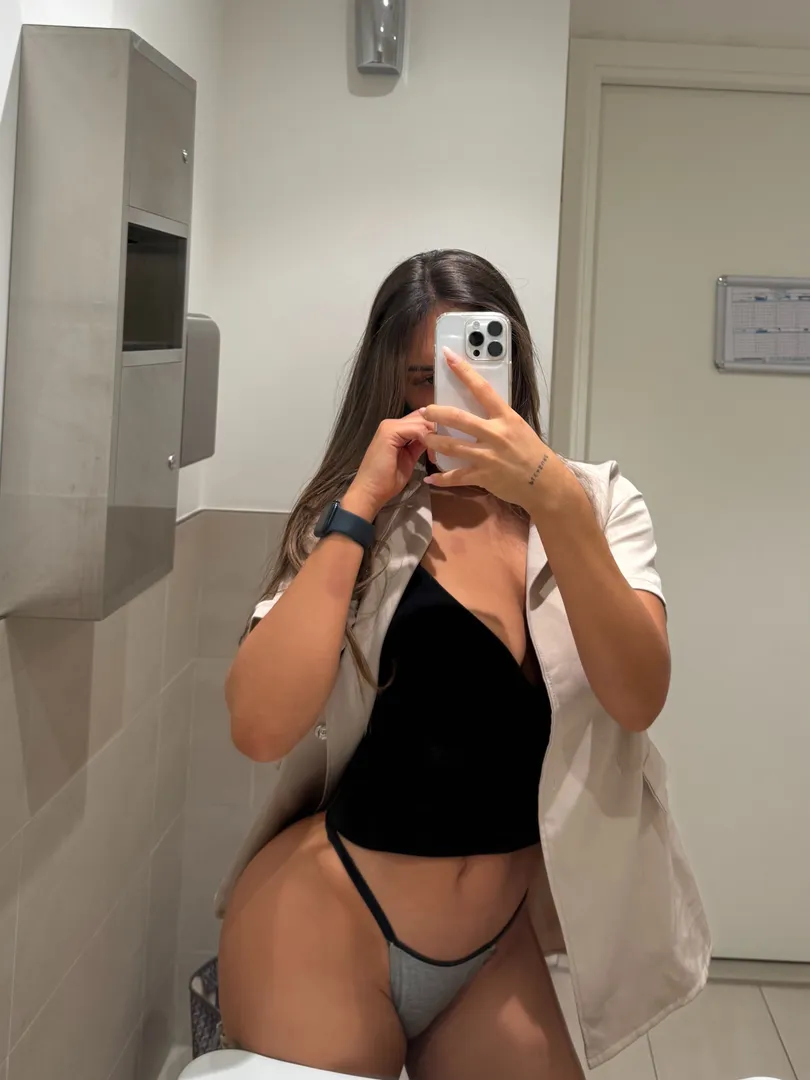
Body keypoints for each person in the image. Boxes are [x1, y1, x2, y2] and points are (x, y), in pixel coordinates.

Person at [216, 250, 710, 1080]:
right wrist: (359, 507)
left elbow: (636, 697)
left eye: (474, 368)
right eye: (422, 377)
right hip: (326, 923)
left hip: (496, 948)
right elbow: (260, 728)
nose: (447, 396)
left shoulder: (596, 504)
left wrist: (550, 494)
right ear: (388, 385)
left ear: (514, 370)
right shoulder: (360, 514)